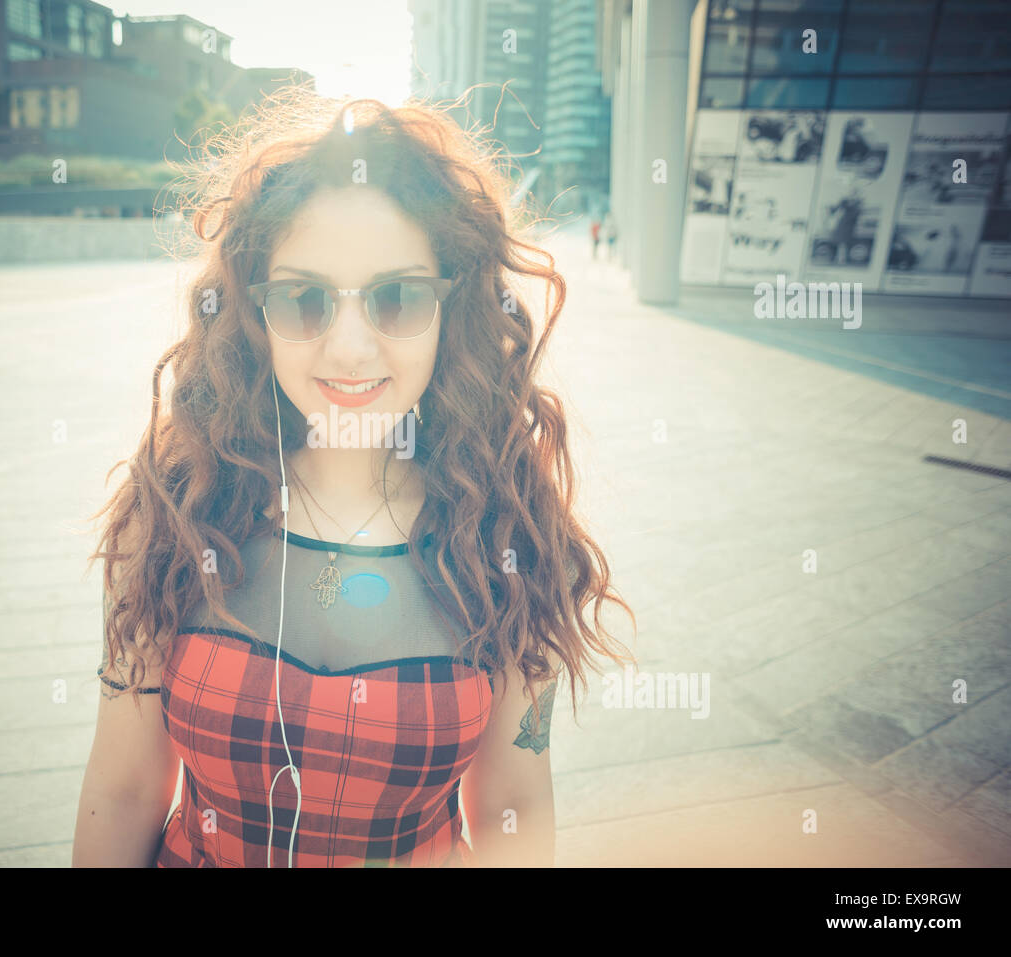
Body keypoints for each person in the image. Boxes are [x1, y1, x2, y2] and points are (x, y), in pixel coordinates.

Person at [72, 89, 635, 869]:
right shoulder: (175, 508)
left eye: (396, 297)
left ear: (453, 305)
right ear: (251, 310)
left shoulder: (506, 535)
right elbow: (128, 789)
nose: (349, 348)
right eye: (303, 299)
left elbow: (512, 804)